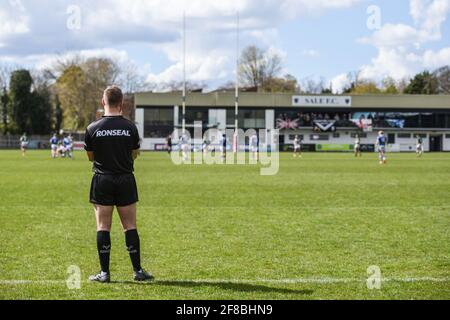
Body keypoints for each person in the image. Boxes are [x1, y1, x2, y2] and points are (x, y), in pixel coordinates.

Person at [84, 85, 153, 283]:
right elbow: (135, 154)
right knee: (129, 225)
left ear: (103, 102)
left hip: (102, 179)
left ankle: (104, 273)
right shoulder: (131, 127)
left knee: (103, 226)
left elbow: (90, 157)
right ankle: (138, 271)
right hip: (125, 179)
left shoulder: (92, 128)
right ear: (122, 103)